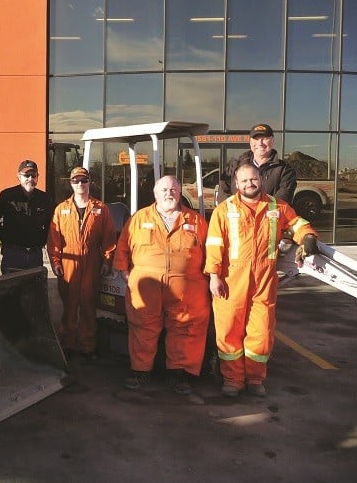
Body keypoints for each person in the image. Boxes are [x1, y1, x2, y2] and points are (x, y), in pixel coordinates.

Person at [206, 163, 318, 398]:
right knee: (228, 331)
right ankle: (233, 379)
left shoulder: (277, 207)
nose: (250, 184)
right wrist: (214, 275)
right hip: (230, 280)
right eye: (244, 180)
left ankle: (255, 378)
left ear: (261, 179)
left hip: (263, 280)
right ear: (237, 183)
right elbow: (215, 244)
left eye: (253, 179)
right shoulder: (224, 210)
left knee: (261, 331)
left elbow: (297, 224)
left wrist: (307, 237)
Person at [113, 176, 210, 395]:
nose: (170, 193)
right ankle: (140, 372)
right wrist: (123, 271)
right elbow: (122, 247)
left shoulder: (196, 221)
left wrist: (212, 276)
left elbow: (211, 253)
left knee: (184, 329)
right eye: (164, 189)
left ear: (180, 193)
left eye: (174, 189)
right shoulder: (139, 219)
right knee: (142, 328)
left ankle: (178, 374)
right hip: (146, 287)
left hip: (186, 289)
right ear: (156, 194)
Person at [48, 167, 116, 362]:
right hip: (69, 262)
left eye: (83, 180)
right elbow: (54, 240)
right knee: (69, 305)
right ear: (70, 183)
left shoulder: (101, 209)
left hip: (92, 261)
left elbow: (109, 238)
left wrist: (107, 260)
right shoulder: (61, 209)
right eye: (76, 181)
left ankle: (88, 347)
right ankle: (68, 344)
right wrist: (55, 261)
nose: (80, 184)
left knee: (88, 305)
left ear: (89, 182)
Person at [0, 160, 54, 274]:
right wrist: (5, 239)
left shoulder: (44, 198)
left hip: (35, 255)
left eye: (33, 175)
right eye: (26, 175)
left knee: (34, 290)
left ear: (37, 177)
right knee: (11, 290)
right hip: (12, 254)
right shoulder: (7, 196)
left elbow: (51, 225)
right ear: (18, 176)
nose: (30, 179)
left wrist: (41, 241)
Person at [217, 123, 297, 204]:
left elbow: (282, 202)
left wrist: (259, 213)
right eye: (256, 139)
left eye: (265, 138)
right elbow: (223, 192)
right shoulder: (235, 166)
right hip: (238, 215)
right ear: (250, 142)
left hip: (269, 216)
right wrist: (235, 211)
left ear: (273, 140)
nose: (260, 143)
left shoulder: (285, 171)